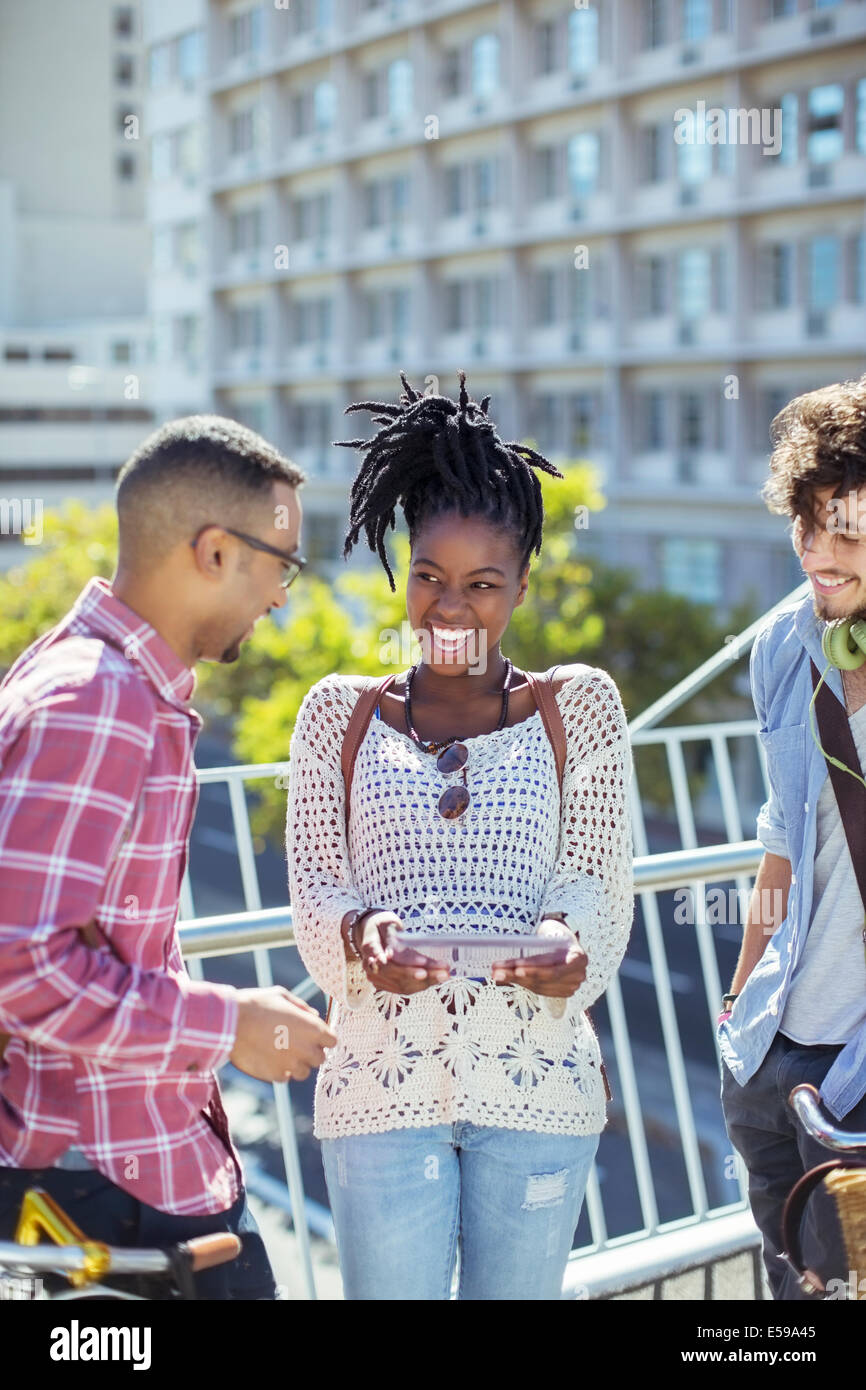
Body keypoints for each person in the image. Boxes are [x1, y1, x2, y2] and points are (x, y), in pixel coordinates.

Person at [286, 372, 633, 1301]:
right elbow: (318, 890)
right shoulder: (336, 717)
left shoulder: (581, 708)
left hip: (539, 1091)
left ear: (521, 583)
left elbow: (598, 890)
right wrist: (363, 940)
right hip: (376, 1089)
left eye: (483, 585)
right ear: (406, 568)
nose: (451, 610)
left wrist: (568, 945)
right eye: (431, 578)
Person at [0, 415, 336, 1299]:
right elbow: (20, 965)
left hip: (124, 1176)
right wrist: (232, 1026)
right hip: (112, 1197)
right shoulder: (97, 700)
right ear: (217, 552)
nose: (282, 598)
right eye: (283, 565)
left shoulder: (100, 682)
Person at [719, 373, 866, 1300]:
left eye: (847, 527)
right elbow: (781, 841)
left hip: (858, 1075)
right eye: (807, 523)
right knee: (789, 1313)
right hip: (775, 1053)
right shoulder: (784, 646)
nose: (820, 550)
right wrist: (739, 1005)